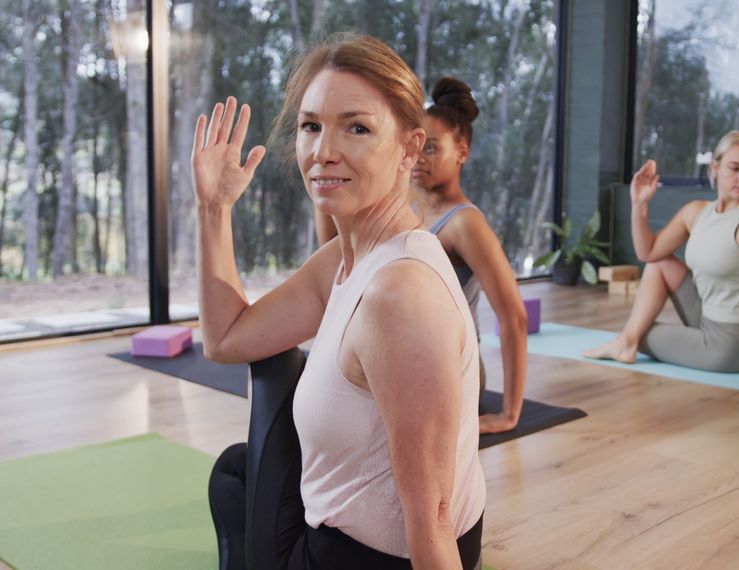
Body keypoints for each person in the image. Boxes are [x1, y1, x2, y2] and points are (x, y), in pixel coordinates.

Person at [194, 34, 485, 569]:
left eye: (357, 127)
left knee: (239, 480)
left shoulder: (398, 296)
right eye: (311, 126)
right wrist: (214, 208)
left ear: (409, 148)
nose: (322, 152)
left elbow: (435, 517)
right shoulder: (346, 259)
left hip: (366, 559)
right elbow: (227, 337)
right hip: (345, 533)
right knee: (234, 472)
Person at [582, 131, 739, 395]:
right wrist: (639, 204)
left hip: (730, 343)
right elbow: (649, 252)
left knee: (637, 333)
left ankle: (626, 343)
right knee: (659, 264)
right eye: (735, 168)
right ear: (715, 167)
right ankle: (626, 343)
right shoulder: (697, 212)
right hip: (703, 315)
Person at [411, 77, 529, 435]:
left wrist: (509, 414)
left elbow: (514, 318)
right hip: (403, 358)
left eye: (431, 148)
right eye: (414, 146)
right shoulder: (407, 203)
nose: (419, 158)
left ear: (462, 152)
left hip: (448, 371)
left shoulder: (465, 224)